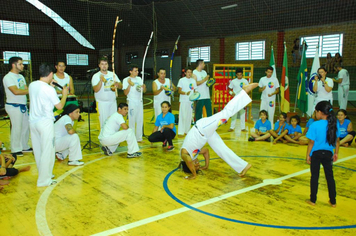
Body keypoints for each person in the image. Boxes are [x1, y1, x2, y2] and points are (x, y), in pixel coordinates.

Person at [180, 83, 258, 180]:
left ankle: (244, 92)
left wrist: (194, 174)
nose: (197, 164)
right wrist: (206, 165)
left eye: (195, 165)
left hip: (202, 127)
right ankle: (244, 166)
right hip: (206, 135)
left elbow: (188, 160)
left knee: (225, 114)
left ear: (189, 165)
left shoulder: (184, 154)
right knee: (222, 150)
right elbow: (206, 151)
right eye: (198, 165)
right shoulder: (194, 155)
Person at [29, 63, 68, 187]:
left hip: (33, 122)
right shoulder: (49, 89)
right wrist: (65, 94)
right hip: (45, 123)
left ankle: (44, 174)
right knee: (48, 151)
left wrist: (49, 85)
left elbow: (42, 94)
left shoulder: (32, 85)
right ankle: (44, 181)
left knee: (39, 150)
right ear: (51, 74)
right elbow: (60, 106)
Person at [306, 101, 339, 208]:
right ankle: (333, 201)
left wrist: (308, 155)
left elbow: (311, 142)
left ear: (320, 112)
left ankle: (313, 200)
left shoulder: (314, 124)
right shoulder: (334, 124)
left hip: (316, 153)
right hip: (329, 153)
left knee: (315, 176)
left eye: (316, 111)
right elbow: (337, 141)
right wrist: (336, 153)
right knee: (330, 177)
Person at [2, 57, 32, 156]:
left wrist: (30, 90)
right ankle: (15, 149)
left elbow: (24, 89)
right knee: (17, 127)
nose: (23, 66)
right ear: (14, 65)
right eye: (20, 64)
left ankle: (24, 146)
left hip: (23, 105)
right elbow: (16, 91)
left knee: (25, 127)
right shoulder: (8, 77)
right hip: (14, 106)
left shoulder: (21, 77)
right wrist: (32, 90)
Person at [92, 57, 122, 129]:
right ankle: (104, 139)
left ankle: (113, 138)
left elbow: (121, 86)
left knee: (114, 122)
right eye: (102, 64)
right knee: (104, 123)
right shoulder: (96, 76)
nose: (104, 66)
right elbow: (96, 89)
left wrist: (118, 84)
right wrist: (101, 80)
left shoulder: (113, 74)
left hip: (112, 102)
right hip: (102, 103)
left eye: (105, 64)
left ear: (108, 65)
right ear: (99, 65)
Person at [122, 65, 146, 142]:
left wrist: (144, 87)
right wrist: (129, 84)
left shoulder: (139, 79)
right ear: (130, 71)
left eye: (137, 71)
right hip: (131, 102)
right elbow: (125, 93)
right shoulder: (126, 80)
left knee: (139, 120)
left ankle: (139, 138)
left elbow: (144, 91)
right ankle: (131, 138)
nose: (137, 72)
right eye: (135, 71)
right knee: (132, 121)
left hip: (139, 101)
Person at [177, 68, 197, 136]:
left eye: (190, 72)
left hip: (190, 101)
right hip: (183, 101)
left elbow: (194, 91)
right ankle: (181, 131)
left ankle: (187, 131)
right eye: (188, 72)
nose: (189, 73)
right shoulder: (181, 80)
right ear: (185, 73)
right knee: (183, 116)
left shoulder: (193, 81)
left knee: (189, 116)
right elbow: (179, 91)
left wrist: (195, 96)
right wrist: (185, 93)